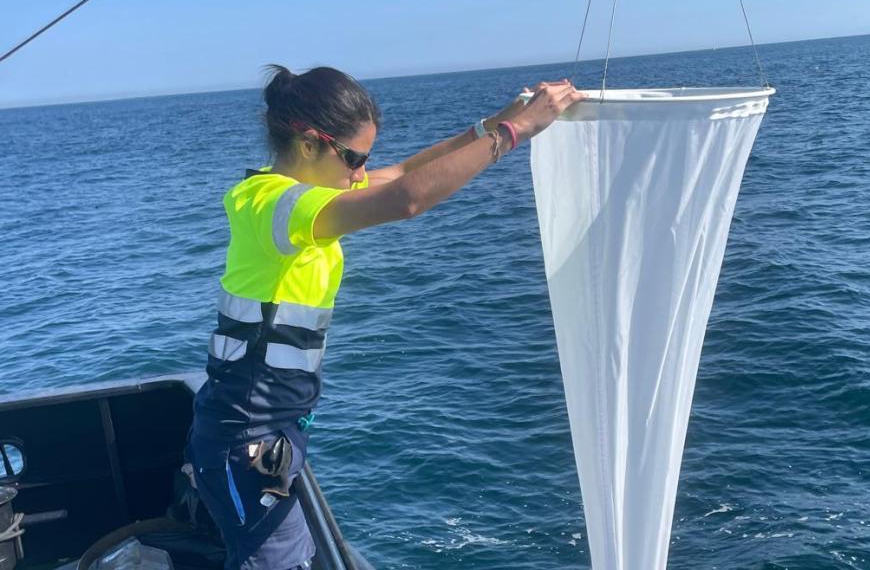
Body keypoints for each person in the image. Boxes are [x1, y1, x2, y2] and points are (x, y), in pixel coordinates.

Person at [184, 64, 584, 569]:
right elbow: (407, 199)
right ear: (309, 144)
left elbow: (400, 175)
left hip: (269, 428)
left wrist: (492, 123)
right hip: (243, 437)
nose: (359, 173)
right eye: (354, 159)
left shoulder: (304, 193)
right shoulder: (276, 206)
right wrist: (516, 131)